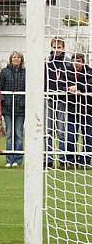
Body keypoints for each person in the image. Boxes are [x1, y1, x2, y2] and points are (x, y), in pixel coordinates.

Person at [0, 51, 26, 168]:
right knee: (9, 134)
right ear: (10, 59)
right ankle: (9, 159)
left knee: (18, 134)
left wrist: (24, 102)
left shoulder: (25, 73)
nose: (16, 59)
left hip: (21, 108)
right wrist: (2, 100)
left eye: (18, 57)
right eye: (14, 57)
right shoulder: (4, 72)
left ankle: (18, 160)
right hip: (8, 108)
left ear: (21, 59)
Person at [46, 38, 70, 168]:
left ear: (63, 48)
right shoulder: (47, 62)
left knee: (61, 131)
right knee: (48, 131)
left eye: (59, 47)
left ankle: (63, 159)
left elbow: (70, 80)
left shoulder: (67, 63)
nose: (57, 50)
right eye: (54, 47)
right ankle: (48, 159)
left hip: (62, 99)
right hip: (49, 99)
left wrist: (66, 89)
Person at [66, 52, 92, 165]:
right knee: (71, 136)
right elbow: (60, 84)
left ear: (83, 62)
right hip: (72, 109)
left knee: (89, 137)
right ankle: (71, 160)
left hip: (88, 110)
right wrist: (69, 89)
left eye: (79, 61)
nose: (76, 63)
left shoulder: (90, 72)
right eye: (74, 61)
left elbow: (90, 86)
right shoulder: (67, 71)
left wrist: (79, 87)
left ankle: (85, 160)